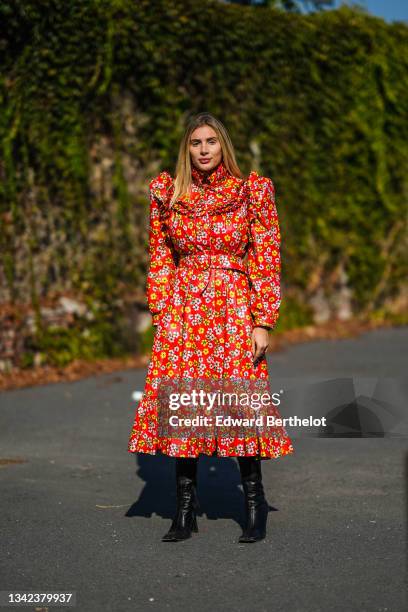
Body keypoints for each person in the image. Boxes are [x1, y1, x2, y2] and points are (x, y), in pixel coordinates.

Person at [128, 112, 294, 543]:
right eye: (195, 143)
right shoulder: (167, 191)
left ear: (224, 146)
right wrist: (162, 309)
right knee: (183, 402)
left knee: (239, 401)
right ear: (187, 149)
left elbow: (266, 256)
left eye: (211, 142)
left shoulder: (251, 190)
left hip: (232, 306)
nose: (203, 150)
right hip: (184, 309)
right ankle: (184, 509)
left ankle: (254, 505)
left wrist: (263, 320)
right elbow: (160, 252)